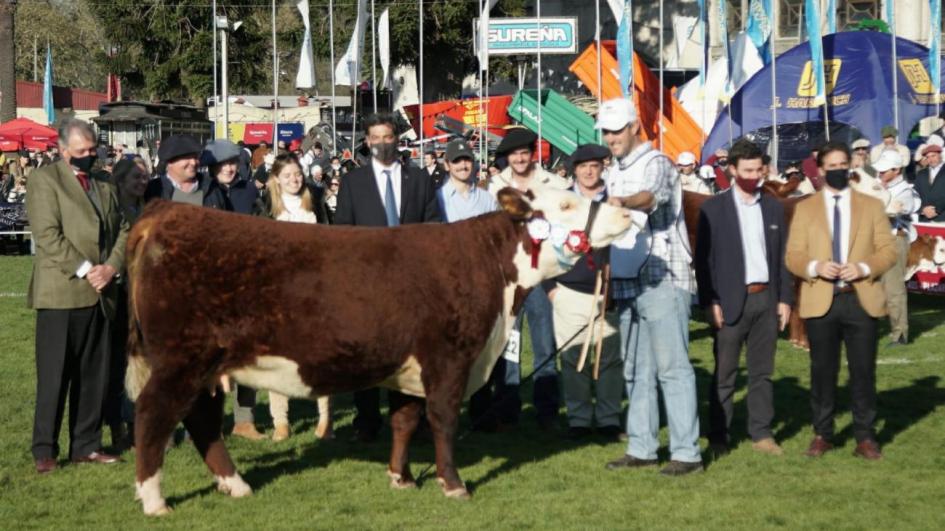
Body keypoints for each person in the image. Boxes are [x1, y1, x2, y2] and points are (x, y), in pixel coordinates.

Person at [597, 98, 702, 476]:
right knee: (635, 369)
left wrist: (623, 201)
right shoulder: (613, 171)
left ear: (634, 127)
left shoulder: (657, 162)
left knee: (672, 368)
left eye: (617, 130)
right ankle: (641, 446)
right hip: (627, 278)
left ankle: (686, 453)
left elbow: (652, 196)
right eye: (606, 131)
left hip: (663, 277)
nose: (611, 138)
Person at [25, 118, 130, 473]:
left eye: (93, 149)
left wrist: (111, 268)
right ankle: (45, 449)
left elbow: (124, 228)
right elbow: (48, 235)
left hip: (101, 295)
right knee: (55, 377)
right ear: (63, 148)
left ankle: (86, 445)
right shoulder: (44, 180)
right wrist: (88, 269)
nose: (90, 156)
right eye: (83, 151)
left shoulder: (104, 181)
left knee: (93, 376)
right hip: (61, 294)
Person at [785, 141, 897, 460]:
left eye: (842, 164)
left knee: (863, 370)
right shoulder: (805, 208)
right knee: (822, 371)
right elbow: (793, 255)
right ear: (820, 170)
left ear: (850, 165)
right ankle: (823, 433)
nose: (837, 171)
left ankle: (865, 435)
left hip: (860, 298)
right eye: (831, 166)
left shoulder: (871, 206)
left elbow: (888, 250)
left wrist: (863, 268)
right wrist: (814, 267)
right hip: (822, 298)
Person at [334, 112, 441, 442]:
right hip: (369, 285)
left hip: (411, 284)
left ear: (397, 139)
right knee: (367, 355)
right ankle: (366, 421)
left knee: (412, 356)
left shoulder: (419, 178)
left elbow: (433, 227)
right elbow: (343, 233)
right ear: (367, 142)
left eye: (387, 136)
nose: (381, 143)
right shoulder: (354, 182)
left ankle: (414, 418)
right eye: (375, 137)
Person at [694, 140, 793, 457]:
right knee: (724, 374)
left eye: (759, 170)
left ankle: (761, 433)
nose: (754, 176)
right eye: (747, 170)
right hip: (729, 302)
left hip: (766, 299)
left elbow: (782, 258)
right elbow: (704, 262)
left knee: (762, 372)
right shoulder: (713, 208)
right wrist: (711, 302)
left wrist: (785, 299)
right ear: (732, 170)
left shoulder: (773, 206)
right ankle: (719, 437)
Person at [485, 127, 569, 431]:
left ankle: (547, 410)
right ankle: (507, 408)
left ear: (532, 154)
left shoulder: (555, 184)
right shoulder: (493, 187)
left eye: (524, 153)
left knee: (544, 340)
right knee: (508, 342)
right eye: (514, 154)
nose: (519, 159)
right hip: (507, 275)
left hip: (542, 274)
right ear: (507, 157)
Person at [543, 144, 624, 441]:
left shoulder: (616, 202)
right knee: (572, 358)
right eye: (583, 166)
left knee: (609, 360)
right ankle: (578, 419)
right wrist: (550, 288)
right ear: (574, 169)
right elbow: (543, 246)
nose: (590, 171)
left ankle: (608, 418)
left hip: (608, 293)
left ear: (602, 168)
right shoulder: (560, 204)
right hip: (569, 290)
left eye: (595, 166)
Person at [256, 153, 332, 441]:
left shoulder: (316, 202)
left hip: (314, 290)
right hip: (279, 291)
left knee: (320, 358)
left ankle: (326, 419)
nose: (294, 179)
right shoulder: (265, 207)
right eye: (287, 175)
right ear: (276, 179)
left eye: (297, 174)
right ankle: (281, 421)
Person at [434, 139, 503, 430]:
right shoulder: (438, 198)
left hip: (482, 281)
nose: (463, 165)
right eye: (457, 160)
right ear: (447, 165)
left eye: (467, 160)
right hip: (449, 283)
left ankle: (483, 412)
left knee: (483, 348)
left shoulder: (488, 200)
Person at [104, 158, 150, 451]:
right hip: (118, 293)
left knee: (140, 362)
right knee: (116, 364)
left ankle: (137, 424)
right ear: (120, 180)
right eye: (135, 177)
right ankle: (116, 426)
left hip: (141, 296)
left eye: (144, 176)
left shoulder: (145, 208)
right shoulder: (113, 210)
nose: (141, 181)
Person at [873, 151, 921, 347]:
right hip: (877, 241)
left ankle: (899, 334)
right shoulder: (878, 186)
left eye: (885, 171)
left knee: (894, 289)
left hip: (894, 241)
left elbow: (896, 209)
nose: (881, 173)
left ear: (897, 170)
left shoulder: (906, 191)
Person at [144, 135, 229, 209]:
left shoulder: (212, 187)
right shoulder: (154, 190)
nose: (193, 162)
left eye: (195, 157)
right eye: (187, 158)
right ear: (169, 162)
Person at [204, 139, 259, 216]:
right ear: (212, 166)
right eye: (222, 164)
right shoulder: (204, 191)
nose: (228, 169)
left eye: (232, 163)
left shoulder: (249, 189)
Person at [914, 144, 945, 221]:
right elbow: (915, 194)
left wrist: (937, 209)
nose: (931, 159)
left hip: (942, 217)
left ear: (940, 155)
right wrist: (922, 209)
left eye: (933, 156)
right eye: (928, 157)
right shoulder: (921, 173)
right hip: (924, 218)